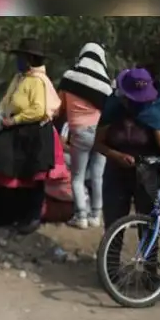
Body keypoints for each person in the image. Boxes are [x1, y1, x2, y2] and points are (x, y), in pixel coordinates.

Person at [0, 38, 64, 234]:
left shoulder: (38, 82)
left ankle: (30, 218)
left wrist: (16, 119)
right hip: (15, 129)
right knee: (3, 168)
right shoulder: (20, 78)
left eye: (21, 57)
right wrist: (2, 114)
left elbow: (39, 109)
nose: (18, 61)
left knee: (29, 175)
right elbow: (7, 100)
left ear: (30, 59)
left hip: (33, 133)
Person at [94, 68, 160, 230]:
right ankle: (109, 256)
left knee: (147, 227)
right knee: (113, 226)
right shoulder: (113, 110)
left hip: (147, 176)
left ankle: (148, 256)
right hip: (115, 176)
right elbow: (97, 142)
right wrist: (116, 155)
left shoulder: (153, 111)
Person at [58, 42, 114, 229]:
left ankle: (81, 216)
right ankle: (96, 216)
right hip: (101, 133)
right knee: (98, 175)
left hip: (80, 132)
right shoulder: (106, 86)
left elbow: (60, 108)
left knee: (77, 176)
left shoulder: (69, 78)